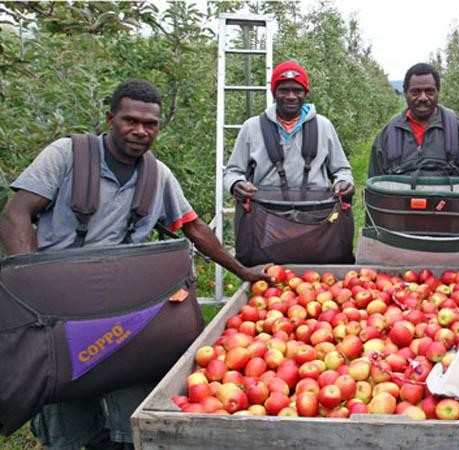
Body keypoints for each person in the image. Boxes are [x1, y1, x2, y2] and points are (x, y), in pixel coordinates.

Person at [0, 79, 268, 450]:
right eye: (130, 121)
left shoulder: (157, 176)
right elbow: (16, 215)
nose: (140, 131)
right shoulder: (67, 156)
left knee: (136, 400)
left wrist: (242, 270)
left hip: (126, 311)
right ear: (110, 118)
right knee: (68, 407)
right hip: (63, 309)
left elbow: (192, 226)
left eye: (150, 124)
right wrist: (31, 291)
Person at [223, 60, 354, 201]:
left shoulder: (323, 126)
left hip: (314, 213)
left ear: (305, 93)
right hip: (265, 213)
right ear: (274, 93)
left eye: (297, 90)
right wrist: (236, 184)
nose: (291, 96)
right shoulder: (252, 127)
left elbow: (342, 170)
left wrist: (343, 182)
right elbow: (232, 172)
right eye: (284, 90)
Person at [368, 63, 459, 179]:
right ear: (405, 93)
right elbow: (375, 187)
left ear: (438, 92)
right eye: (415, 92)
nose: (423, 97)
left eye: (429, 91)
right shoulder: (388, 134)